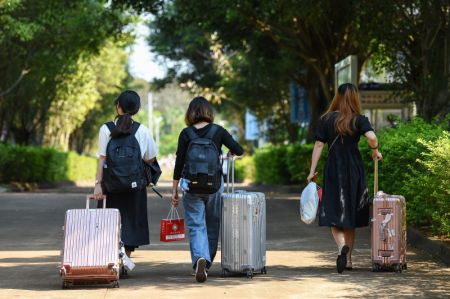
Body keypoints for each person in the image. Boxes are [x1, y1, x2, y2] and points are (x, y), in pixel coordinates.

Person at [307, 83, 382, 274]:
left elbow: (318, 145)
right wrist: (375, 150)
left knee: (333, 211)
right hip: (354, 168)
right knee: (350, 212)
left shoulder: (326, 119)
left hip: (334, 168)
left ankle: (341, 248)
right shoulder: (359, 119)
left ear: (337, 98)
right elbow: (372, 138)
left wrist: (312, 171)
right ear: (355, 98)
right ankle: (348, 260)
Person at [171, 96, 243, 283]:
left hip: (191, 187)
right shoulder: (218, 131)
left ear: (190, 113)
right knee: (212, 225)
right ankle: (207, 264)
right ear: (209, 112)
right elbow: (239, 149)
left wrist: (174, 190)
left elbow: (179, 163)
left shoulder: (186, 133)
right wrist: (230, 152)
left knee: (196, 226)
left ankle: (199, 259)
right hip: (214, 186)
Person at [93, 90, 157, 276]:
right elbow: (150, 159)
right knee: (131, 223)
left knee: (108, 223)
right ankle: (124, 262)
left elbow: (102, 159)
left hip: (110, 186)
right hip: (134, 187)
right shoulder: (143, 131)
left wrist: (98, 183)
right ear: (136, 109)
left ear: (118, 106)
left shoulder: (106, 129)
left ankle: (112, 261)